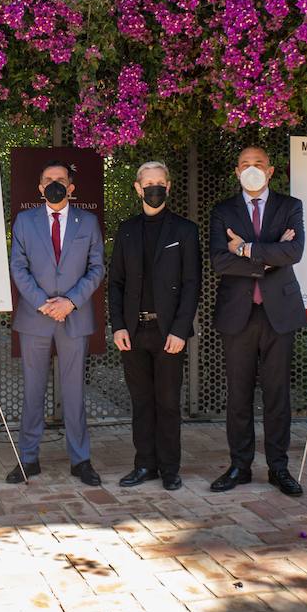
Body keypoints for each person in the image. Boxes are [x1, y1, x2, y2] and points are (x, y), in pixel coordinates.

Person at [208, 146, 307, 497]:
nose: (252, 169)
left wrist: (246, 249)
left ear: (271, 171)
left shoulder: (289, 206)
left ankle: (278, 468)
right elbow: (220, 261)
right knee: (238, 395)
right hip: (238, 314)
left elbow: (294, 252)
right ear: (237, 171)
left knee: (277, 394)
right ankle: (240, 466)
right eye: (245, 165)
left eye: (259, 164)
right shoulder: (223, 211)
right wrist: (269, 255)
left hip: (279, 314)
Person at [7, 160, 105, 485]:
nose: (54, 183)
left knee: (75, 391)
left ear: (71, 186)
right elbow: (18, 267)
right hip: (36, 317)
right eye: (48, 179)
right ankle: (28, 459)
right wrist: (44, 304)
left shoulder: (87, 222)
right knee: (33, 391)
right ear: (39, 187)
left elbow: (97, 267)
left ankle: (81, 460)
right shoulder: (24, 221)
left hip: (74, 317)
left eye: (60, 179)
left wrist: (71, 302)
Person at [108, 161, 201, 491]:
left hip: (168, 333)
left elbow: (192, 284)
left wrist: (179, 329)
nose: (154, 188)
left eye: (160, 182)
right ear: (137, 188)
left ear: (169, 186)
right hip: (133, 332)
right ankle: (144, 464)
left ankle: (170, 469)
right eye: (148, 183)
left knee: (168, 402)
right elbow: (115, 282)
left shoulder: (185, 231)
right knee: (142, 402)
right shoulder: (126, 230)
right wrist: (118, 325)